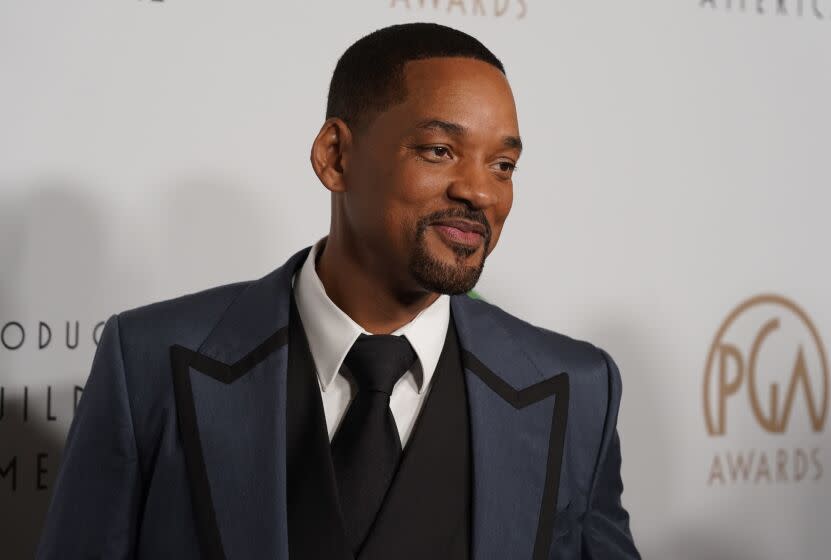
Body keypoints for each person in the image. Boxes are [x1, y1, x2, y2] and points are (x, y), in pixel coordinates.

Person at [37, 22, 640, 560]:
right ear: (335, 156)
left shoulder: (577, 389)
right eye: (440, 151)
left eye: (503, 166)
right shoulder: (150, 362)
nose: (481, 193)